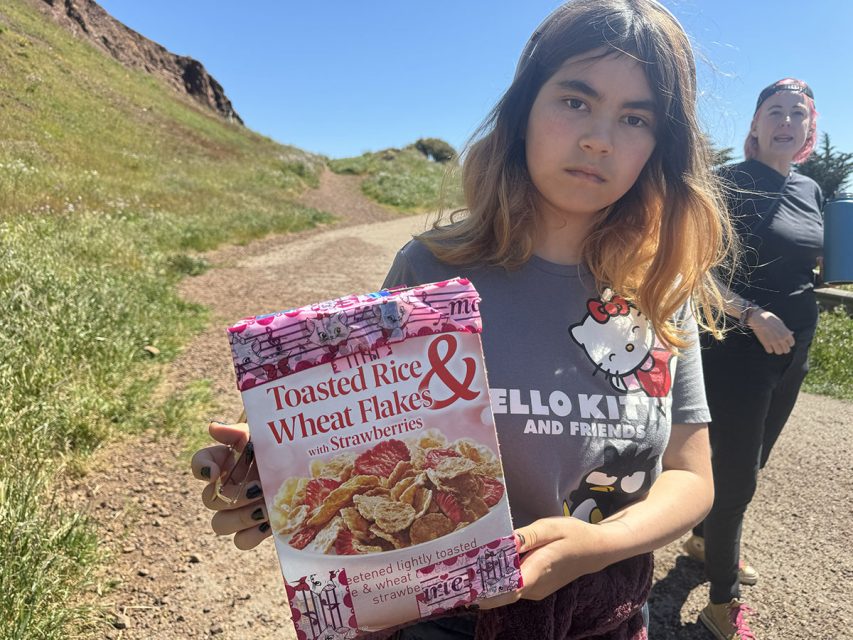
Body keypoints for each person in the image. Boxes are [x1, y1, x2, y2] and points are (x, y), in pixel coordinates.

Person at [191, 1, 735, 637]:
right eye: (575, 100)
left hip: (605, 617)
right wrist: (286, 456)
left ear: (660, 146)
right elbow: (365, 437)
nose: (599, 139)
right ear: (523, 110)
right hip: (444, 619)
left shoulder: (660, 289)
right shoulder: (430, 270)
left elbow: (691, 476)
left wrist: (597, 545)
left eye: (635, 118)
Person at [681, 78, 823, 640]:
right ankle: (722, 604)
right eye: (775, 111)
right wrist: (752, 315)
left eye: (798, 113)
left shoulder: (811, 189)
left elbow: (806, 264)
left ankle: (702, 542)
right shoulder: (727, 184)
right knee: (736, 476)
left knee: (754, 459)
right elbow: (693, 269)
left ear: (810, 128)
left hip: (795, 349)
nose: (786, 121)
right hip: (736, 348)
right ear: (756, 125)